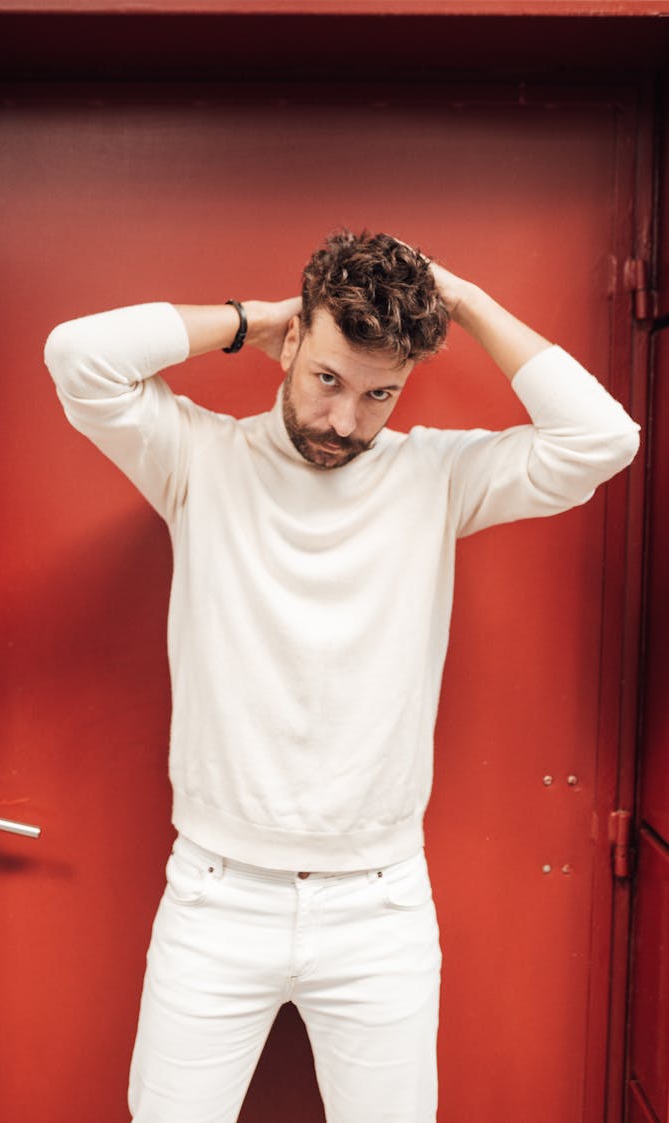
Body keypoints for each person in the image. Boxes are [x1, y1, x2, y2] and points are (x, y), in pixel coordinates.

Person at [44, 230, 640, 1123]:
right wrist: (254, 318)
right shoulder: (197, 458)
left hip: (380, 904)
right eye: (328, 378)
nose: (346, 423)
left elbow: (604, 440)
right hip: (214, 893)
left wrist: (464, 300)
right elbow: (77, 357)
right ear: (294, 345)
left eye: (379, 395)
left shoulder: (435, 476)